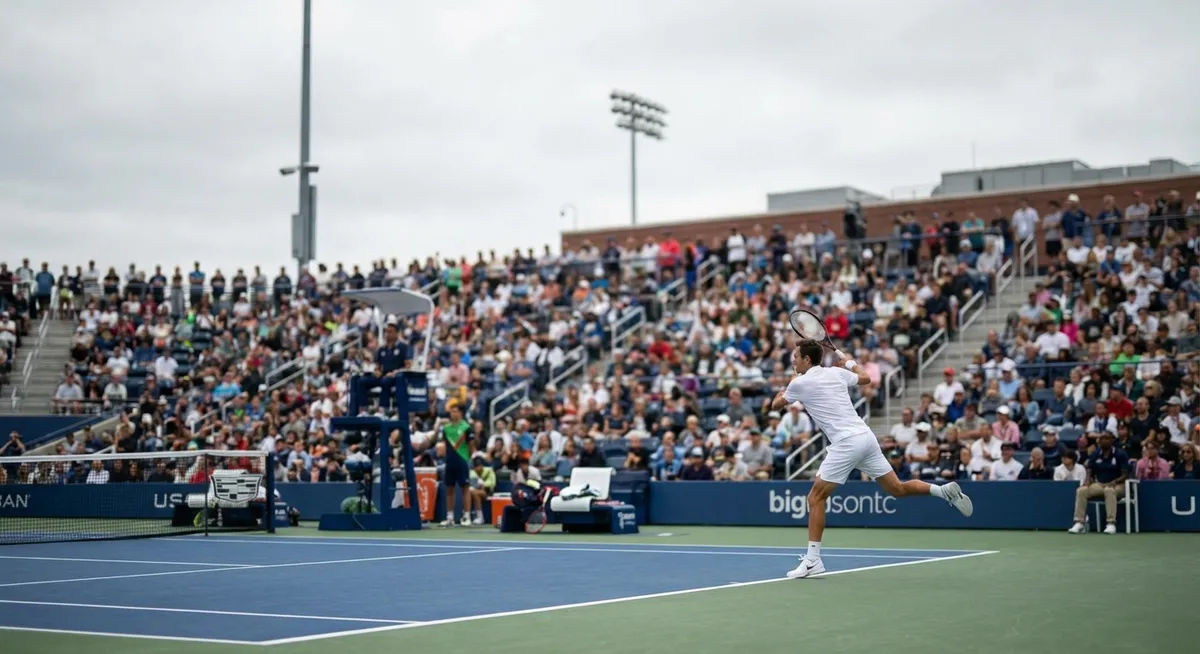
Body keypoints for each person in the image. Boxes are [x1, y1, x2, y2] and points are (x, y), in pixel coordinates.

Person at [771, 339, 973, 579]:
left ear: (806, 359)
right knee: (896, 488)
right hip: (866, 437)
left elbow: (775, 405)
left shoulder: (800, 382)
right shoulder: (837, 372)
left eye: (796, 357)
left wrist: (792, 380)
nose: (793, 360)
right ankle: (943, 492)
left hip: (846, 443)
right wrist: (849, 361)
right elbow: (865, 378)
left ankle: (813, 560)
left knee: (815, 498)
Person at [439, 403, 473, 527]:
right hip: (449, 462)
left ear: (460, 413)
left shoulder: (466, 427)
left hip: (462, 461)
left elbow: (471, 446)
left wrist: (466, 458)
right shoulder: (446, 428)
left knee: (465, 488)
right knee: (449, 489)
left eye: (455, 411)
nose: (452, 414)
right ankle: (449, 517)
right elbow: (444, 444)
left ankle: (467, 516)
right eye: (451, 411)